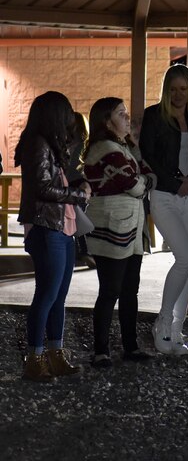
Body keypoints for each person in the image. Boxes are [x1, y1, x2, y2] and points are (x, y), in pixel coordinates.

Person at [15, 91, 90, 382]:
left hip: (62, 227)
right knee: (46, 295)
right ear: (56, 114)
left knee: (59, 296)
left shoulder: (53, 145)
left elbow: (59, 179)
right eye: (67, 112)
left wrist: (78, 184)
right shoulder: (38, 144)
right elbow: (42, 188)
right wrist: (77, 194)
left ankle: (55, 354)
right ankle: (34, 358)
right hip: (48, 228)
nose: (72, 117)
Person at [140, 63, 188, 355]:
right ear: (166, 90)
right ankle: (163, 321)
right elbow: (148, 155)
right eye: (173, 89)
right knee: (185, 257)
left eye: (184, 89)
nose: (178, 95)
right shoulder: (153, 116)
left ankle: (176, 330)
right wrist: (175, 182)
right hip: (165, 196)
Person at [84, 97, 157, 368]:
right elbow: (136, 185)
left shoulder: (123, 147)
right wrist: (145, 180)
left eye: (127, 113)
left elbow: (144, 173)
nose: (128, 118)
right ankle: (101, 350)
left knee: (129, 290)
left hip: (130, 230)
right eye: (121, 114)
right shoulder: (106, 149)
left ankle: (130, 347)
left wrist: (143, 175)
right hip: (113, 231)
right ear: (106, 121)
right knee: (111, 290)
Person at [68, 111, 95, 268]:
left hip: (72, 182)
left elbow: (72, 166)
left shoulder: (72, 142)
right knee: (80, 218)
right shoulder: (85, 142)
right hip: (80, 181)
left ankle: (83, 252)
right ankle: (84, 252)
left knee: (77, 218)